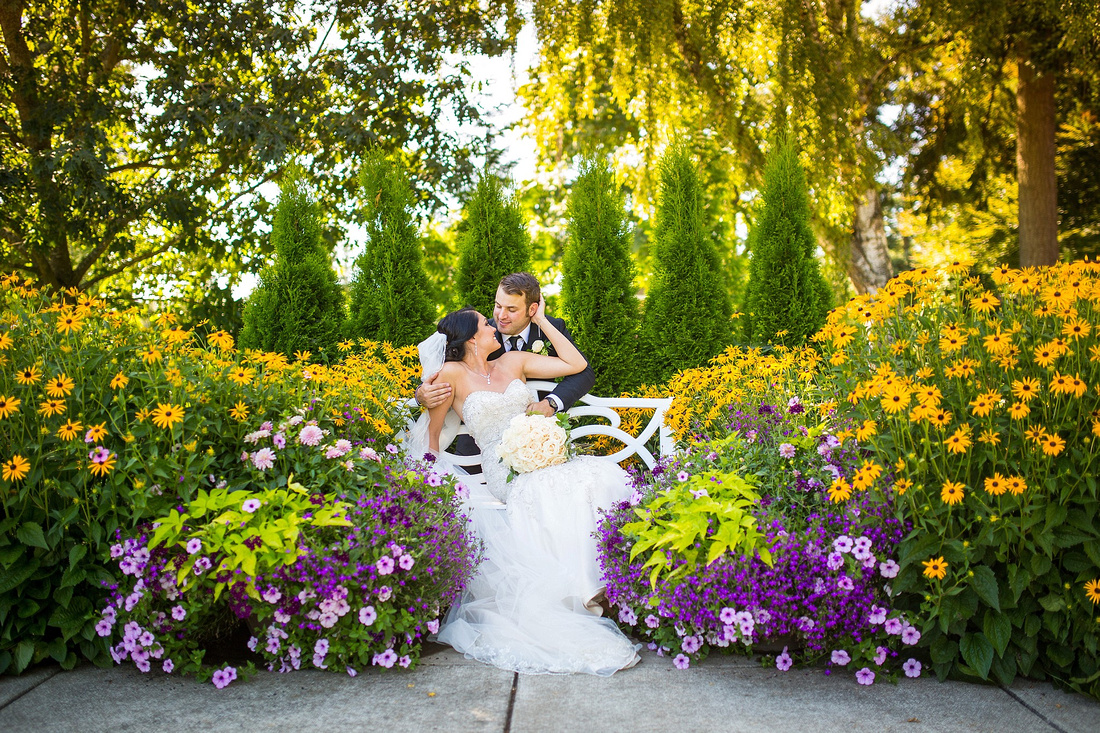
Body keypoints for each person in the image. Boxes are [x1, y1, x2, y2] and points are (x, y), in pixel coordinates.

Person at [418, 300, 640, 676]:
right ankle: (584, 592)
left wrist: (540, 319)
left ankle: (596, 586)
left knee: (597, 477)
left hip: (544, 455)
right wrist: (431, 479)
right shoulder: (450, 374)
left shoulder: (514, 360)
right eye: (486, 324)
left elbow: (576, 365)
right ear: (472, 340)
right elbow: (432, 436)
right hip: (504, 468)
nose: (494, 326)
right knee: (551, 490)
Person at [415, 273, 594, 472]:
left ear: (532, 309)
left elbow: (582, 369)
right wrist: (420, 393)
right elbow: (438, 369)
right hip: (477, 455)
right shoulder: (480, 333)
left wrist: (550, 403)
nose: (500, 317)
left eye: (511, 309)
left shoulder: (542, 336)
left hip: (535, 450)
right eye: (498, 306)